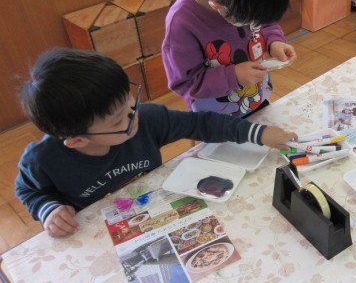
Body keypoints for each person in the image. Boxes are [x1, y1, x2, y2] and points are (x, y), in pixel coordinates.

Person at [15, 48, 297, 238]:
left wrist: (258, 133)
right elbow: (28, 190)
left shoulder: (147, 118)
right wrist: (48, 209)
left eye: (130, 100)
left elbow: (203, 124)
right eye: (118, 120)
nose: (134, 114)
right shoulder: (42, 160)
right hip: (95, 232)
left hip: (153, 212)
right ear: (77, 141)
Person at [162, 0, 297, 117]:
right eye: (252, 20)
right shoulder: (181, 24)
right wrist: (234, 76)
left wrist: (274, 40)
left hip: (256, 99)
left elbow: (265, 21)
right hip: (217, 118)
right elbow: (186, 83)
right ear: (217, 5)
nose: (257, 23)